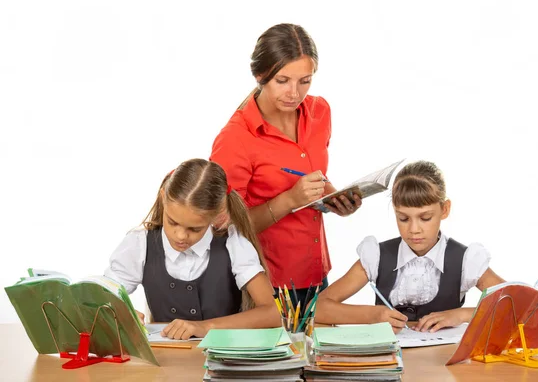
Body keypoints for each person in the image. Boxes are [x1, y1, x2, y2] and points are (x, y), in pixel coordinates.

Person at [210, 23, 360, 306]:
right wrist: (290, 199)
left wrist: (334, 197)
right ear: (260, 75)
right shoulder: (235, 138)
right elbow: (222, 228)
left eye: (305, 80)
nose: (294, 93)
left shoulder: (320, 112)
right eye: (283, 81)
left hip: (316, 274)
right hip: (265, 285)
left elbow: (314, 175)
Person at [315, 160, 505, 332]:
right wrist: (373, 315)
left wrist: (461, 315)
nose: (414, 229)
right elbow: (318, 309)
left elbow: (516, 306)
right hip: (390, 363)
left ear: (444, 209)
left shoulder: (465, 260)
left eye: (425, 218)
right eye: (403, 218)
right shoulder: (377, 256)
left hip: (444, 364)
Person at [104, 159, 280, 340]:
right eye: (172, 222)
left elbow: (273, 313)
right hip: (164, 362)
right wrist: (119, 311)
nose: (180, 236)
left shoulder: (233, 244)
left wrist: (205, 327)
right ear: (163, 197)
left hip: (223, 360)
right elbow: (97, 297)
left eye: (194, 229)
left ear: (217, 214)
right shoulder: (139, 243)